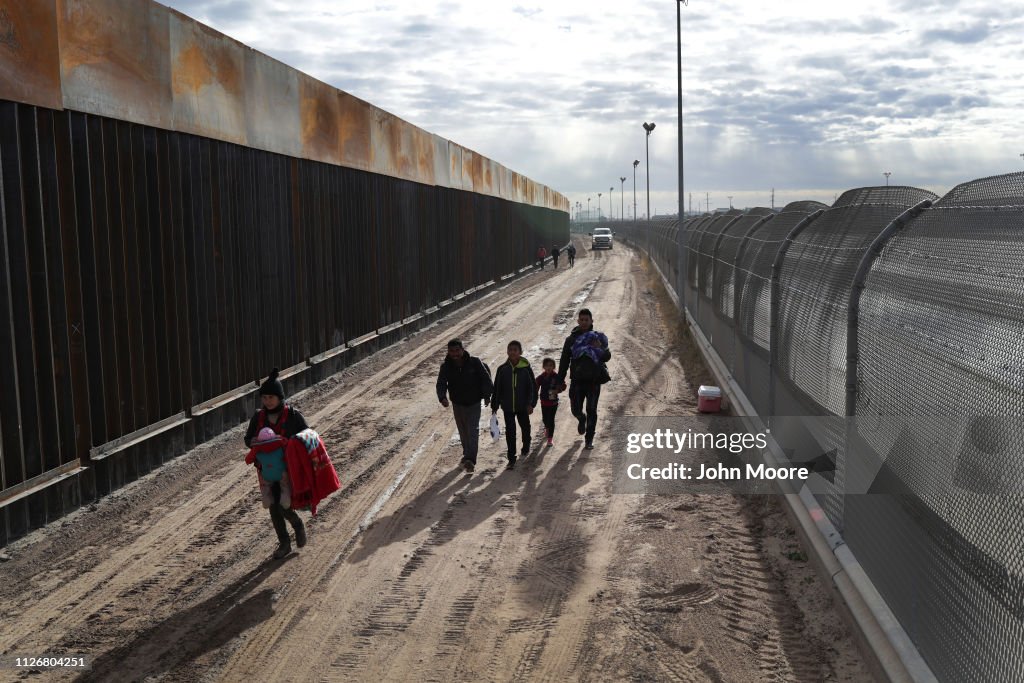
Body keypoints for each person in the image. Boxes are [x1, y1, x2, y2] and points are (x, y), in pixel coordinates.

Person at [244, 368, 310, 558]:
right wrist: (257, 443)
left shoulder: (293, 415)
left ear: (280, 397)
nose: (267, 401)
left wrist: (290, 443)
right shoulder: (258, 417)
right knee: (273, 506)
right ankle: (284, 543)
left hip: (288, 469)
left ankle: (297, 524)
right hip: (266, 470)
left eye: (271, 397)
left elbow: (307, 434)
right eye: (264, 398)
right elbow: (248, 439)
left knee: (284, 505)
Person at [436, 338, 493, 473]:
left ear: (463, 349)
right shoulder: (446, 367)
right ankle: (467, 454)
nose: (455, 354)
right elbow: (441, 383)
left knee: (472, 429)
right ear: (448, 352)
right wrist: (442, 397)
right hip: (457, 403)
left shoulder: (475, 362)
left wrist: (487, 396)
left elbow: (486, 379)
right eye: (451, 351)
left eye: (457, 350)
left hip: (473, 402)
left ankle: (471, 460)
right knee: (463, 431)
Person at [557, 309, 611, 450]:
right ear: (578, 321)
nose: (584, 322)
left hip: (594, 381)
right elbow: (564, 361)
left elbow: (607, 357)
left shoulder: (597, 337)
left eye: (587, 320)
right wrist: (559, 380)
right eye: (581, 320)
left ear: (592, 321)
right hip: (577, 381)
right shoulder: (571, 340)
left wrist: (600, 348)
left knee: (592, 409)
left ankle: (589, 439)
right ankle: (582, 418)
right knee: (576, 409)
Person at [490, 340, 538, 470]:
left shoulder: (526, 368)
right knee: (510, 432)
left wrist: (531, 403)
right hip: (508, 407)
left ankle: (526, 445)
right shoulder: (502, 369)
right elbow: (497, 388)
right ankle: (511, 458)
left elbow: (532, 387)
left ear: (520, 352)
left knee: (525, 427)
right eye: (510, 349)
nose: (512, 352)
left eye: (515, 350)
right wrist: (494, 404)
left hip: (523, 406)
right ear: (507, 352)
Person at [536, 357, 567, 447]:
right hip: (544, 402)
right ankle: (547, 428)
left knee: (551, 419)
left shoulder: (556, 377)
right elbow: (535, 384)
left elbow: (564, 386)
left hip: (553, 403)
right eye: (546, 366)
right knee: (545, 419)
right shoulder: (542, 377)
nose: (548, 367)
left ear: (553, 367)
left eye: (550, 365)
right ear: (543, 367)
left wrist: (558, 390)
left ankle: (550, 439)